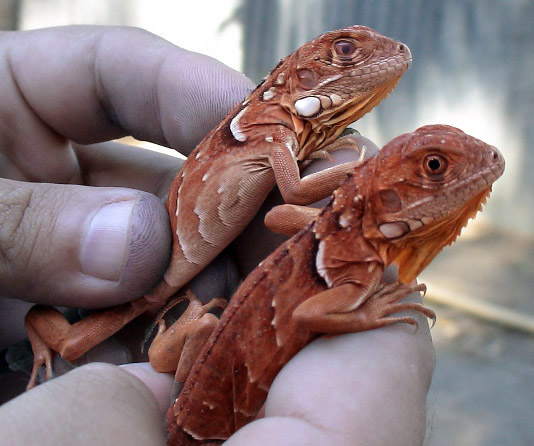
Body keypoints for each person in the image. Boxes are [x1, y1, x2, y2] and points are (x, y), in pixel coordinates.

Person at [0, 26, 434, 445]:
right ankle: (39, 344)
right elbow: (295, 191)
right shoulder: (270, 130)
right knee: (71, 345)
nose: (384, 53)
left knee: (96, 344)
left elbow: (285, 207)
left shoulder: (277, 132)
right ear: (302, 75)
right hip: (146, 277)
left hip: (164, 285)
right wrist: (364, 172)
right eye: (345, 51)